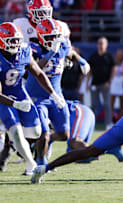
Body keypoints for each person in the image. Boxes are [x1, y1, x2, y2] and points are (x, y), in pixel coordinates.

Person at [0, 22, 64, 175]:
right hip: (3, 99)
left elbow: (39, 74)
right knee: (16, 131)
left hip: (20, 94)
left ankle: (12, 142)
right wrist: (15, 104)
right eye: (12, 40)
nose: (16, 43)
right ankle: (31, 164)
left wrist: (53, 94)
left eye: (17, 39)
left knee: (35, 132)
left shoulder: (24, 51)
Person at [26, 18, 89, 166]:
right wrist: (50, 53)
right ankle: (40, 162)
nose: (53, 40)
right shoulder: (32, 48)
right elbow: (36, 70)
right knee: (44, 134)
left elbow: (71, 53)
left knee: (63, 134)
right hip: (37, 96)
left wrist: (82, 61)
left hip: (56, 96)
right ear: (40, 36)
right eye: (49, 37)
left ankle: (43, 145)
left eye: (55, 36)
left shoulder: (62, 45)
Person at [88, 37, 115, 130]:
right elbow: (89, 70)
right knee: (93, 105)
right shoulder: (93, 56)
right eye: (99, 43)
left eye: (102, 43)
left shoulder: (109, 56)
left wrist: (109, 81)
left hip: (105, 84)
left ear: (106, 45)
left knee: (107, 104)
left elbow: (113, 69)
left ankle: (108, 123)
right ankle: (91, 124)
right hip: (95, 83)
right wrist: (88, 83)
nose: (101, 45)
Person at [110, 49, 123, 121]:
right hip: (114, 83)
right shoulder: (113, 62)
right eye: (118, 54)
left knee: (121, 103)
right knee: (111, 103)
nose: (119, 55)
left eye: (121, 54)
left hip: (121, 83)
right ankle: (110, 119)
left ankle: (121, 119)